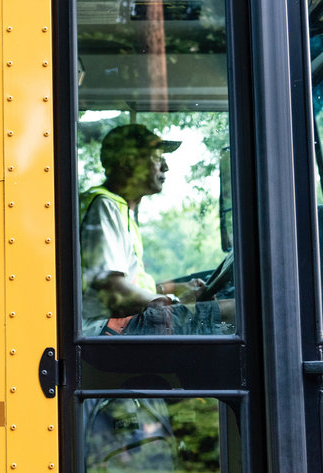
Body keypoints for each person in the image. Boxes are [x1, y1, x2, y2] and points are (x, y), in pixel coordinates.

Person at [80, 124, 230, 335]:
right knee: (235, 312)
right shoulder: (104, 206)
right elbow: (113, 290)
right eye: (157, 158)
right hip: (108, 329)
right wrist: (167, 301)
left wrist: (175, 289)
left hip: (120, 322)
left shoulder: (119, 208)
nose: (166, 167)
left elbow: (127, 281)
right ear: (127, 163)